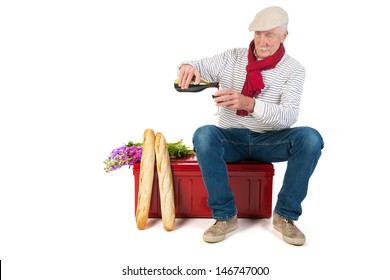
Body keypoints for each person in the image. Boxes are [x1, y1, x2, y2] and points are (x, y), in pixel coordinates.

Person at [177, 6, 324, 246]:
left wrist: (251, 104)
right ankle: (225, 216)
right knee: (204, 134)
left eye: (270, 35)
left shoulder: (294, 69)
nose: (262, 42)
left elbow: (288, 117)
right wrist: (187, 67)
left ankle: (285, 215)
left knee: (310, 138)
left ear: (284, 36)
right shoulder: (232, 57)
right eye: (258, 34)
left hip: (270, 141)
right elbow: (196, 65)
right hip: (230, 139)